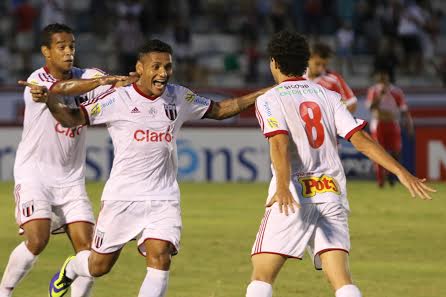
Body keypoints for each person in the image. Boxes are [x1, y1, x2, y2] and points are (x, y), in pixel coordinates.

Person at [30, 39, 268, 297]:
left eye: (168, 66)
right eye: (156, 66)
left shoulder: (179, 96)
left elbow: (221, 109)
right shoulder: (118, 99)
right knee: (98, 266)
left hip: (163, 197)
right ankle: (72, 269)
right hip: (123, 197)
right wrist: (51, 101)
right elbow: (73, 119)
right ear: (140, 68)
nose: (163, 73)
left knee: (160, 258)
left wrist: (266, 93)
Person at [246, 30, 435, 297]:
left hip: (293, 195)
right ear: (305, 63)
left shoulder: (269, 99)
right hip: (330, 192)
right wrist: (402, 172)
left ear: (274, 63)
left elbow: (279, 143)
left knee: (262, 276)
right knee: (341, 280)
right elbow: (360, 140)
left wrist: (283, 186)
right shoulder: (329, 96)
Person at [0, 23, 135, 297]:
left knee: (89, 254)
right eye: (61, 47)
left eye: (71, 46)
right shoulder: (36, 83)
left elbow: (118, 90)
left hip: (72, 180)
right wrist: (102, 82)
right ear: (46, 51)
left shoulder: (89, 76)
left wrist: (132, 82)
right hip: (35, 175)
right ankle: (4, 291)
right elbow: (61, 89)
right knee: (38, 239)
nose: (68, 52)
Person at [366, 68, 414, 188]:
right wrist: (379, 96)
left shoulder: (396, 92)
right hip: (378, 124)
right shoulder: (374, 91)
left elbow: (404, 110)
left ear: (389, 79)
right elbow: (371, 107)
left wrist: (409, 125)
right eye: (381, 80)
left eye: (385, 79)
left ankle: (393, 178)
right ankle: (380, 180)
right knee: (379, 152)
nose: (383, 82)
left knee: (396, 152)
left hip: (392, 123)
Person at [304, 42, 357, 113]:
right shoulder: (297, 77)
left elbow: (352, 104)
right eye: (317, 64)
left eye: (324, 65)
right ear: (308, 59)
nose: (321, 68)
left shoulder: (334, 79)